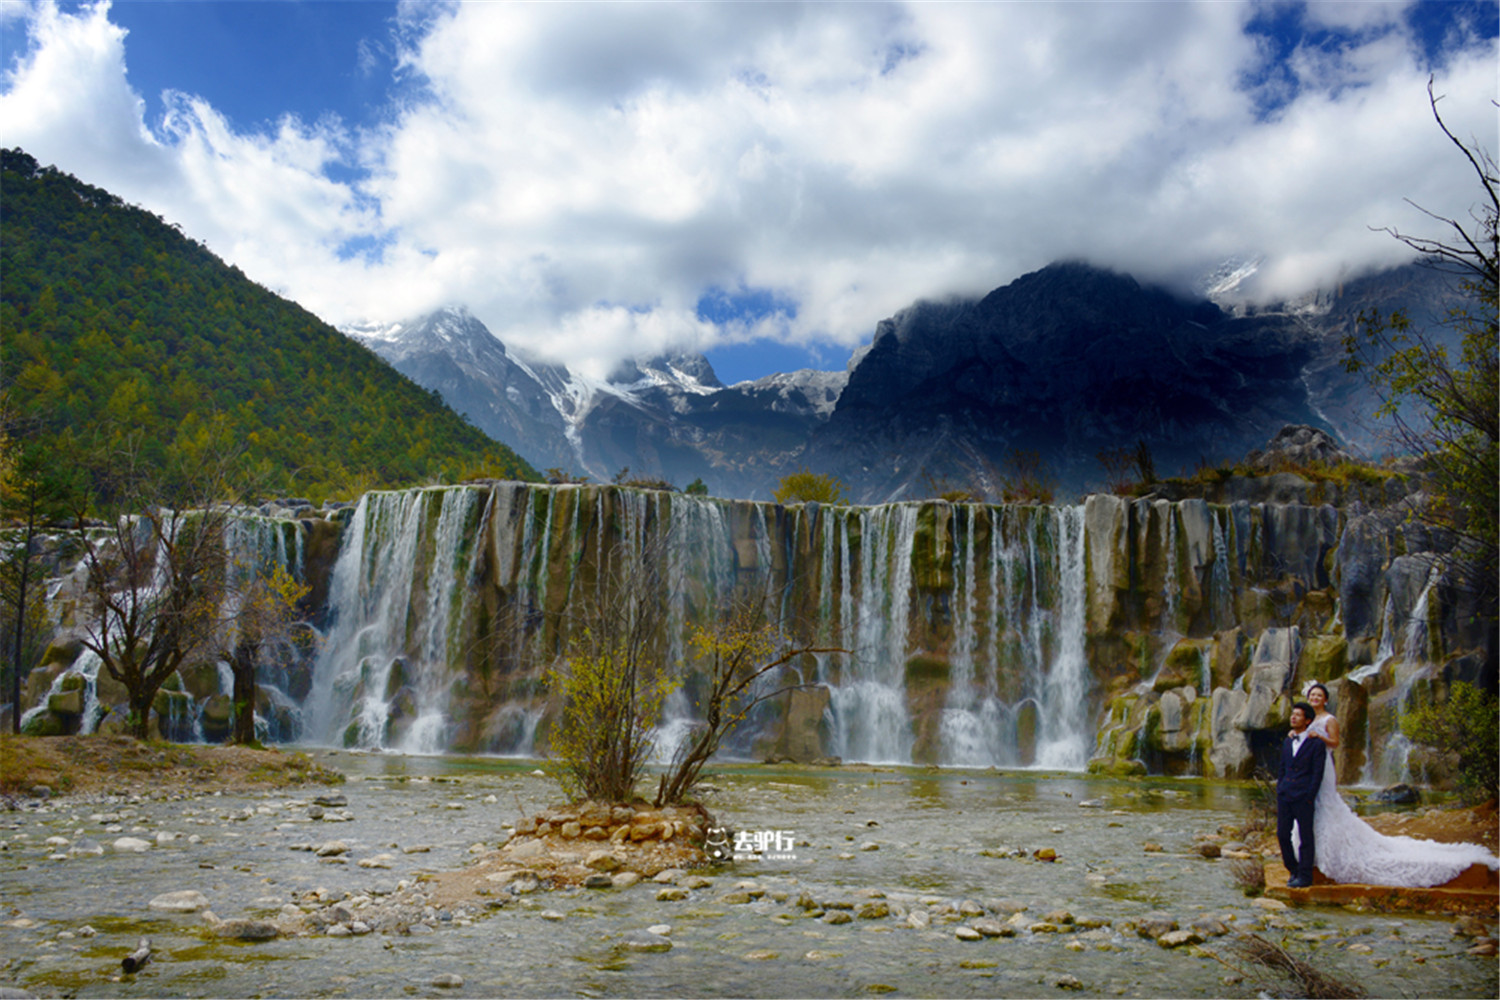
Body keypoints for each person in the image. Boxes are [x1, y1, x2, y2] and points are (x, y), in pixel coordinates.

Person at [1298, 680, 1499, 886]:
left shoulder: (1329, 720)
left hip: (1323, 767)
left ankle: (1331, 851)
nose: (1315, 698)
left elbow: (1336, 743)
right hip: (1308, 767)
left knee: (1326, 802)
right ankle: (1311, 850)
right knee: (1311, 805)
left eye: (1319, 695)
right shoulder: (1306, 719)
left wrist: (1319, 737)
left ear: (1326, 699)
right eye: (1312, 695)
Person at [1277, 701, 1325, 888]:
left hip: (1303, 796)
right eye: (1293, 714)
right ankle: (1292, 869)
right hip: (1285, 795)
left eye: (1298, 715)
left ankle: (1305, 876)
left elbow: (1317, 773)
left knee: (1306, 837)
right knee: (1282, 834)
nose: (1293, 717)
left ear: (1308, 721)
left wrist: (1309, 795)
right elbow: (1282, 767)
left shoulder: (1316, 744)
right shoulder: (1288, 741)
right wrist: (1280, 788)